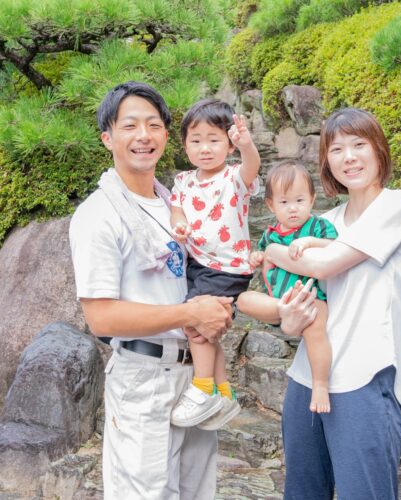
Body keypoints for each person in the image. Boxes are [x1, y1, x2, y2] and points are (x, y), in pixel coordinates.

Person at [69, 81, 233, 500]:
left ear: (165, 135)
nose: (143, 135)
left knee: (199, 492)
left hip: (194, 378)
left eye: (153, 125)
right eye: (130, 126)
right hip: (144, 380)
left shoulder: (178, 206)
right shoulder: (99, 214)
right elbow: (101, 317)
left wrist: (217, 308)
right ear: (107, 138)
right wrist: (191, 314)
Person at [251, 108, 401, 499]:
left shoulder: (396, 206)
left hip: (366, 378)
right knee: (302, 492)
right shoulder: (323, 221)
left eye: (359, 144)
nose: (349, 157)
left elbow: (323, 264)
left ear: (378, 149)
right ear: (326, 160)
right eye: (337, 149)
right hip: (307, 376)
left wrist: (270, 250)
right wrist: (289, 320)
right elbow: (290, 301)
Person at [168, 99, 260, 431]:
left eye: (214, 140)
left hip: (226, 268)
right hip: (196, 264)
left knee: (195, 323)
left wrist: (247, 145)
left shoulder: (235, 177)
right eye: (196, 140)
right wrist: (179, 225)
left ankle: (202, 387)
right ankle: (223, 393)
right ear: (185, 145)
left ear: (229, 144)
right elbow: (176, 210)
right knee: (207, 330)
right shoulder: (183, 180)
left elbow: (252, 165)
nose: (204, 148)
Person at [237, 162, 338, 413]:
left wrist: (309, 242)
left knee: (316, 334)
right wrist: (257, 257)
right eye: (284, 202)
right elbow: (263, 255)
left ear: (312, 200)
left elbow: (337, 247)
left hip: (310, 299)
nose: (293, 208)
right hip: (280, 303)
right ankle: (285, 311)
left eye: (300, 200)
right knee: (243, 299)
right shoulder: (270, 234)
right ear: (271, 205)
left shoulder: (318, 227)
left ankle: (320, 384)